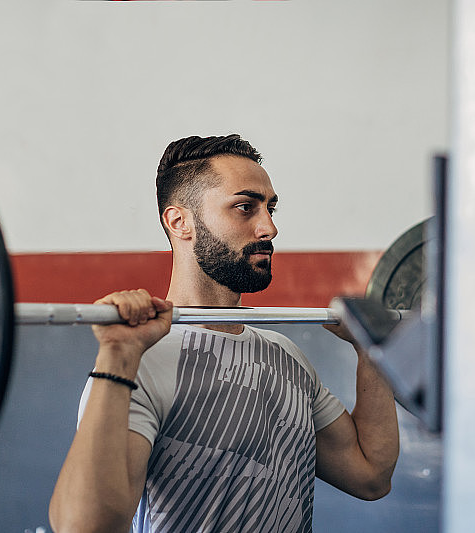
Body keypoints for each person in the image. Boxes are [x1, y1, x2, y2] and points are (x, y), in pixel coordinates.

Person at [48, 135, 399, 533]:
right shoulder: (139, 363)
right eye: (245, 207)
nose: (269, 227)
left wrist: (370, 349)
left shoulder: (286, 356)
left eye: (270, 208)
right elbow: (84, 527)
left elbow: (371, 475)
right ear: (180, 222)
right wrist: (116, 357)